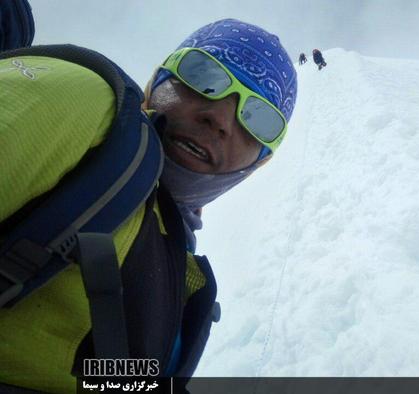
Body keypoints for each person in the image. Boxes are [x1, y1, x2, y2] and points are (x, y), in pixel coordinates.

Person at [0, 17, 297, 393]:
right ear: (159, 81)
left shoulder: (174, 247)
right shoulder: (92, 109)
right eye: (204, 74)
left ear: (258, 161)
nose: (221, 117)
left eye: (258, 118)